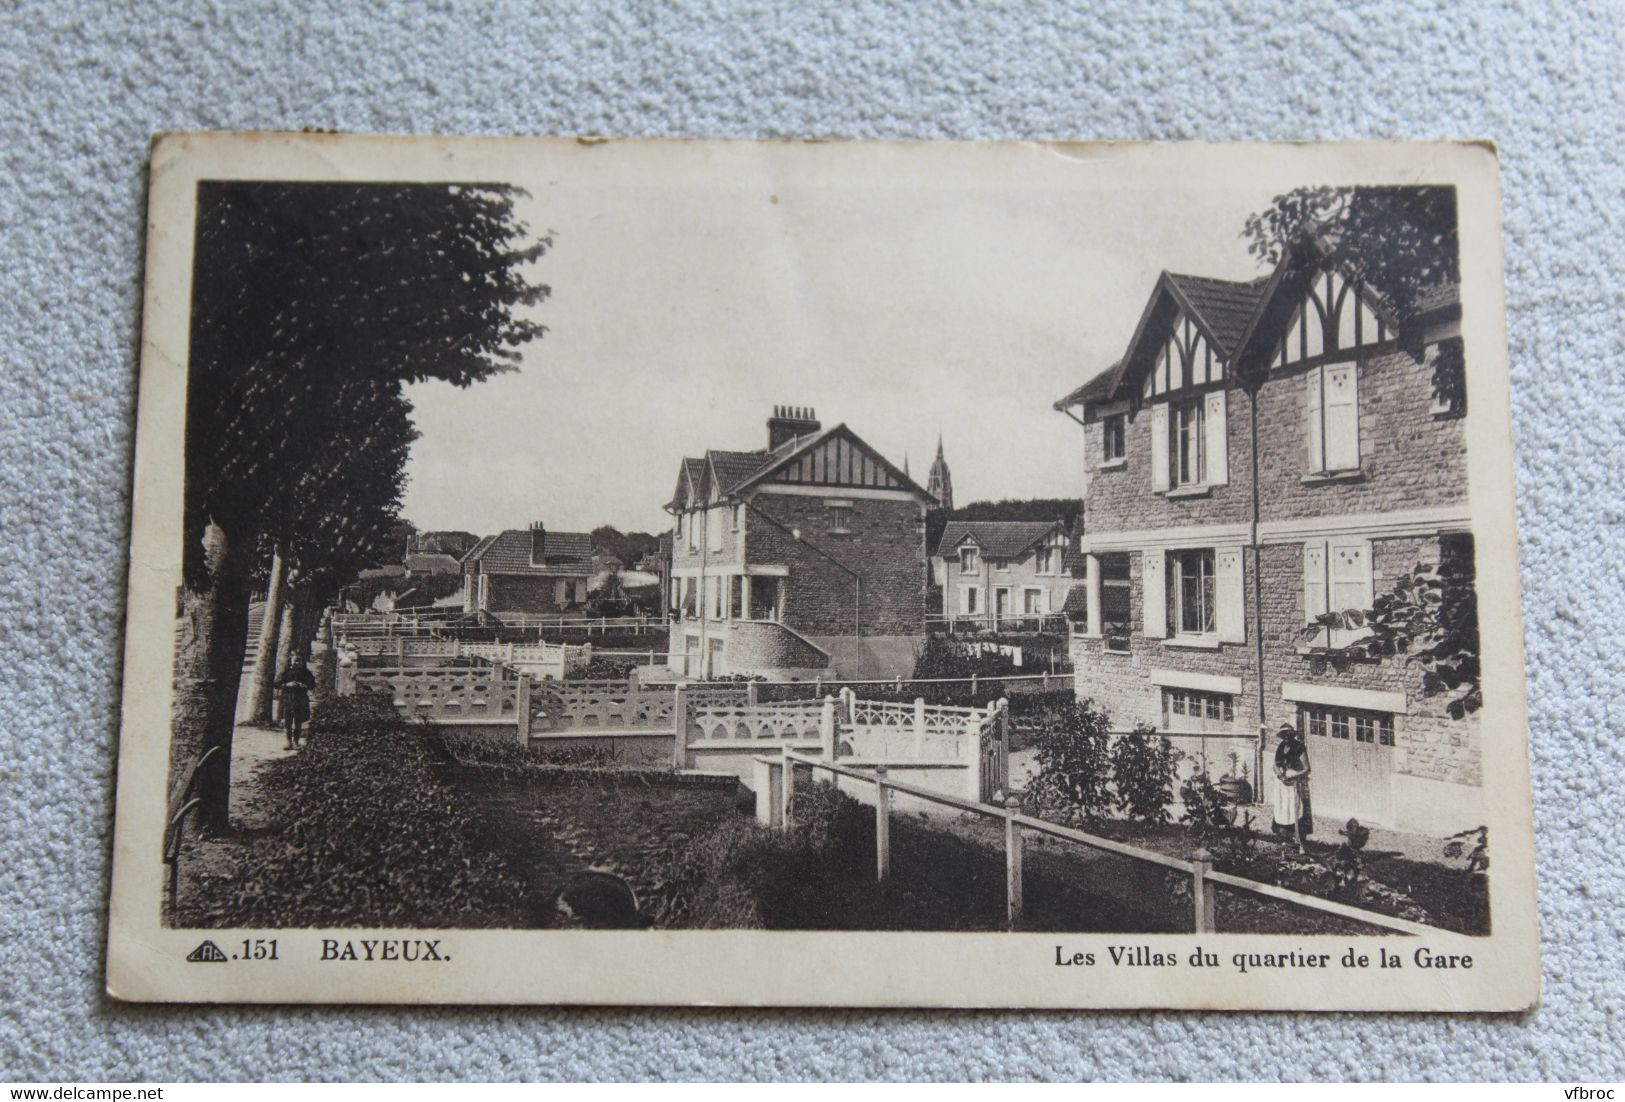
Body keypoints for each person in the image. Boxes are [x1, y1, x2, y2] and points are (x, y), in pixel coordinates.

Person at [1272, 722, 1313, 853]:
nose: (1286, 738)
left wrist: (1293, 776)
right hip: (1283, 784)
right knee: (1283, 809)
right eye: (1284, 735)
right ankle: (1285, 839)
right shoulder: (1281, 746)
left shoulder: (1299, 747)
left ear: (1292, 736)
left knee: (1296, 810)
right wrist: (1279, 775)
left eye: (1289, 735)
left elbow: (1307, 768)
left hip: (1296, 783)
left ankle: (1300, 842)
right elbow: (1275, 764)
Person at [275, 658, 317, 750]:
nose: (297, 663)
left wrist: (303, 685)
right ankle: (288, 742)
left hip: (300, 698)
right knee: (287, 721)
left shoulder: (306, 673)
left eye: (299, 661)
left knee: (299, 721)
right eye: (295, 661)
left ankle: (296, 742)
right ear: (291, 661)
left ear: (302, 662)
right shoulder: (286, 672)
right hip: (287, 698)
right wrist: (287, 685)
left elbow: (312, 685)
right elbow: (277, 684)